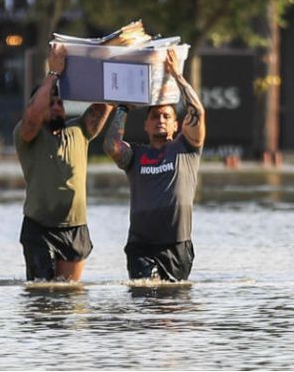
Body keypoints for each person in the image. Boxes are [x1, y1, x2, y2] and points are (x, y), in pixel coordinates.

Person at [102, 48, 206, 282]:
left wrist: (177, 76)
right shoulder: (136, 155)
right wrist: (123, 108)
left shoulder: (186, 148)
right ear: (146, 125)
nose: (160, 120)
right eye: (154, 117)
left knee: (172, 310)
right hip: (141, 245)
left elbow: (197, 111)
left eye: (166, 117)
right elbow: (111, 145)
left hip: (176, 245)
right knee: (144, 304)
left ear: (175, 125)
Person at [14, 43, 113, 282]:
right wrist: (53, 73)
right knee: (42, 296)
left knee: (70, 299)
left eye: (60, 103)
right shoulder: (27, 134)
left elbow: (107, 100)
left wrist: (113, 57)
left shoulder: (79, 129)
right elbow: (33, 115)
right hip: (39, 227)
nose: (57, 107)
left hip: (75, 227)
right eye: (51, 103)